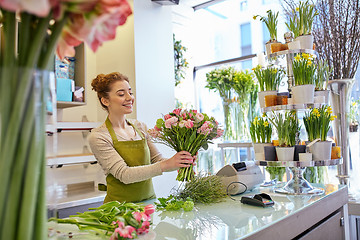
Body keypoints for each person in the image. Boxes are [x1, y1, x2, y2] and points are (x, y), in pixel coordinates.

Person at [88, 72, 194, 203]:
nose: (129, 98)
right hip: (119, 209)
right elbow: (124, 174)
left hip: (148, 203)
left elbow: (158, 160)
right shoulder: (99, 136)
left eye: (130, 93)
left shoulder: (140, 127)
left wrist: (181, 161)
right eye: (121, 94)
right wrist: (167, 164)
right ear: (105, 101)